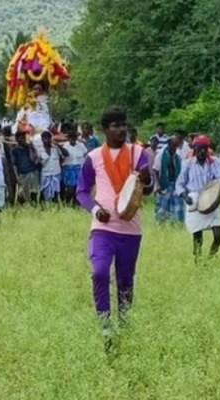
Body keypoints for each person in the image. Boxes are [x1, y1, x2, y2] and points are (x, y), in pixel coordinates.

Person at [76, 107, 154, 348]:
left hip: (131, 228)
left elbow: (149, 189)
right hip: (103, 227)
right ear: (105, 130)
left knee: (125, 281)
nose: (121, 129)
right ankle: (105, 327)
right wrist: (95, 208)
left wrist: (146, 179)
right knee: (99, 272)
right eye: (115, 125)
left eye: (123, 124)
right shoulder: (94, 157)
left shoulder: (138, 153)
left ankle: (125, 325)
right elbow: (81, 191)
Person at [176, 135, 220, 260]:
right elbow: (180, 183)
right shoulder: (188, 163)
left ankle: (211, 257)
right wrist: (184, 196)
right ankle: (198, 259)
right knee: (198, 235)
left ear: (207, 149)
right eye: (199, 148)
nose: (202, 151)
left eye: (204, 148)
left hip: (211, 198)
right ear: (194, 149)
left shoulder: (214, 162)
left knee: (218, 233)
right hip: (194, 200)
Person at [153, 135, 185, 224]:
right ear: (169, 144)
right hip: (164, 184)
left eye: (176, 145)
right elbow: (155, 171)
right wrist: (157, 185)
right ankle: (160, 227)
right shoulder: (161, 154)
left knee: (177, 206)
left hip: (176, 184)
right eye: (174, 145)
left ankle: (177, 225)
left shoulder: (178, 155)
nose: (175, 148)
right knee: (162, 208)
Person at [11, 131, 41, 206]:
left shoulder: (29, 148)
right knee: (23, 194)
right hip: (23, 174)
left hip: (33, 172)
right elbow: (14, 165)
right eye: (21, 138)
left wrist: (31, 147)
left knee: (34, 191)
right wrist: (17, 177)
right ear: (17, 139)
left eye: (24, 138)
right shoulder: (14, 150)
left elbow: (34, 160)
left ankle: (34, 207)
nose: (24, 139)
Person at [61, 124, 89, 206]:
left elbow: (86, 154)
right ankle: (69, 202)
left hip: (79, 169)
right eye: (71, 138)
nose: (72, 139)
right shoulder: (65, 146)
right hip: (69, 169)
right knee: (70, 188)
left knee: (79, 187)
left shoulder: (81, 146)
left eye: (74, 137)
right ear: (68, 138)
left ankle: (78, 203)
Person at [38, 130, 69, 203]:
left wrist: (58, 145)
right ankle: (44, 206)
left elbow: (66, 154)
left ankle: (55, 205)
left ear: (50, 139)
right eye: (44, 138)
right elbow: (38, 162)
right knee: (44, 191)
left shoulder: (55, 148)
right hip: (45, 174)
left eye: (47, 138)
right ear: (42, 139)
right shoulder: (39, 150)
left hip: (56, 173)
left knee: (56, 191)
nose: (46, 140)